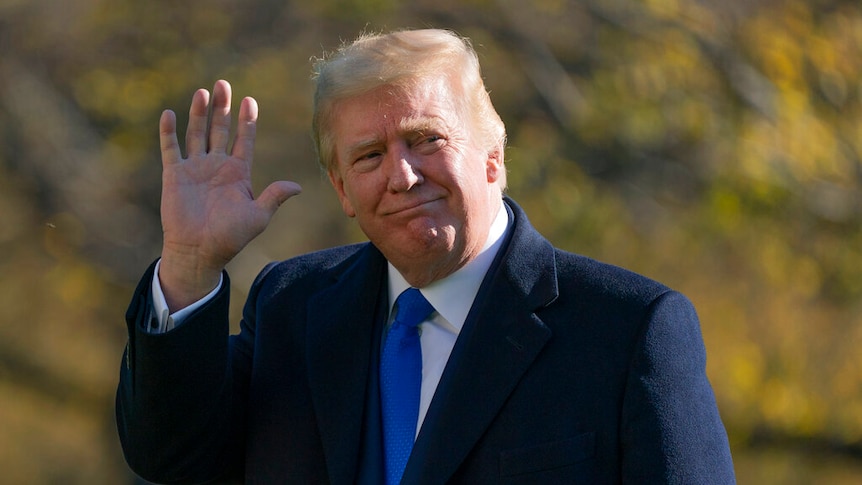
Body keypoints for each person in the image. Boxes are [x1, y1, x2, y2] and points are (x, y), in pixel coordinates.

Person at [116, 29, 736, 484]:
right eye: (367, 157)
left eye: (425, 139)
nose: (402, 176)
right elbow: (170, 455)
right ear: (342, 191)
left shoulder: (629, 330)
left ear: (493, 156)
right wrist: (190, 263)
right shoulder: (292, 309)